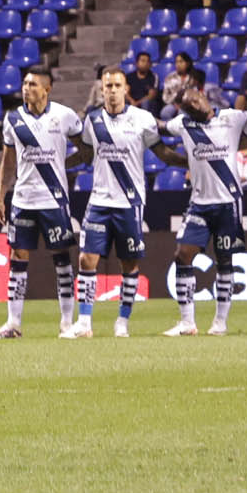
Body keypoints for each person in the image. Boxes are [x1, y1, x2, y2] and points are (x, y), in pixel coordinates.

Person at [0, 65, 85, 341]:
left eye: (32, 84)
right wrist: (1, 198)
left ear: (47, 88)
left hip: (54, 200)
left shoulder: (64, 116)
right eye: (24, 83)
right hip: (23, 200)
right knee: (17, 258)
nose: (26, 88)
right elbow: (8, 162)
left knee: (62, 260)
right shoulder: (13, 119)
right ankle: (13, 323)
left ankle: (67, 323)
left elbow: (86, 149)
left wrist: (65, 165)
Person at [74, 66, 166, 337]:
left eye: (116, 86)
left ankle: (122, 321)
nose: (112, 91)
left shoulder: (143, 119)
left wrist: (190, 163)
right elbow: (86, 155)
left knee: (129, 265)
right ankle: (85, 323)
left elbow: (162, 152)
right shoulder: (92, 121)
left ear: (125, 88)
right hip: (99, 201)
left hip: (129, 203)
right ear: (101, 90)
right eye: (107, 86)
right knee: (86, 260)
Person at [160, 76, 247, 337]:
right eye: (188, 106)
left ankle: (220, 322)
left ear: (202, 95)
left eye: (195, 101)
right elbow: (160, 128)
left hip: (228, 202)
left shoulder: (232, 117)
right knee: (182, 254)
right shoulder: (183, 124)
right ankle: (187, 322)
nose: (195, 107)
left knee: (225, 261)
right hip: (199, 203)